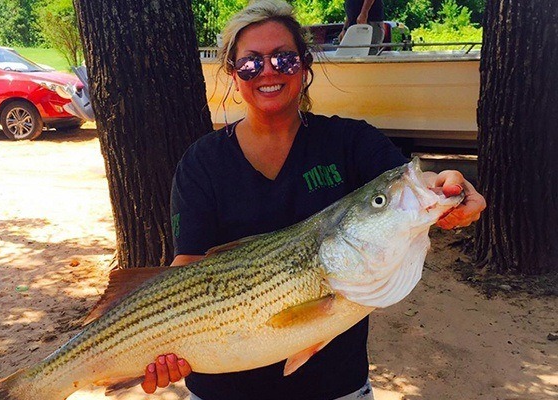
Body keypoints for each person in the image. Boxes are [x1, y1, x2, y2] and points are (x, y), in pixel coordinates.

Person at [140, 0, 486, 399]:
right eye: (251, 63)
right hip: (222, 388)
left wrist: (450, 184)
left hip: (337, 388)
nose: (268, 71)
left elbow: (408, 183)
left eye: (284, 59)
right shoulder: (201, 162)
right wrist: (158, 344)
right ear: (234, 75)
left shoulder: (351, 142)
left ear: (304, 67)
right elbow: (188, 264)